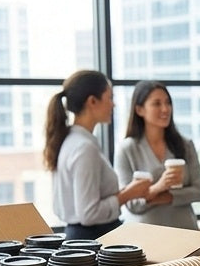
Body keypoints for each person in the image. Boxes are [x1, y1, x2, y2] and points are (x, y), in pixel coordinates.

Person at [43, 70, 149, 239]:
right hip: (94, 241)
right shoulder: (84, 147)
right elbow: (89, 214)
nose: (113, 105)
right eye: (109, 98)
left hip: (83, 239)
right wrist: (128, 194)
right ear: (92, 101)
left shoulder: (70, 140)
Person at [115, 80, 200, 229]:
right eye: (157, 104)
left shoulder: (185, 145)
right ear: (139, 110)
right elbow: (131, 204)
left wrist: (164, 197)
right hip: (145, 237)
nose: (165, 109)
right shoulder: (127, 149)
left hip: (185, 233)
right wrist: (158, 187)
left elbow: (199, 191)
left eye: (168, 103)